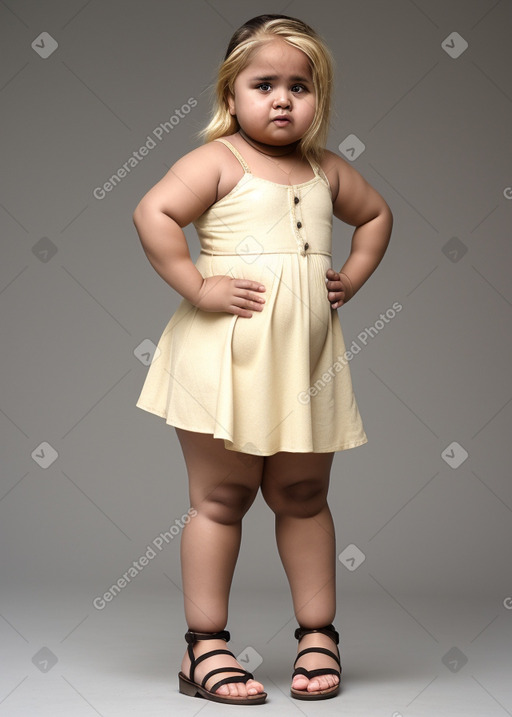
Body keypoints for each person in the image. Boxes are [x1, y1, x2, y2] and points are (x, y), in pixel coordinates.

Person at [133, 13, 392, 705]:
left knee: (303, 495)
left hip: (303, 364)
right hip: (223, 358)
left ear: (319, 99)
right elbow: (153, 213)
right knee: (221, 498)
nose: (283, 99)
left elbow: (376, 217)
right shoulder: (218, 161)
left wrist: (353, 278)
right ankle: (204, 645)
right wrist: (198, 285)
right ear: (231, 95)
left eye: (300, 86)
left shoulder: (327, 169)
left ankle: (318, 633)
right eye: (264, 84)